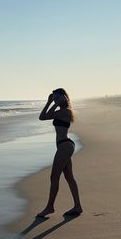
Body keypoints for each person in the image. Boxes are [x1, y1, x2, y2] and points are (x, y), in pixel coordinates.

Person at [36, 88, 83, 218]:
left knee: (54, 177)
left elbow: (47, 115)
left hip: (65, 146)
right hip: (63, 146)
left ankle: (50, 207)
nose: (55, 99)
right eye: (54, 97)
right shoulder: (60, 111)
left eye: (57, 97)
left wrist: (55, 103)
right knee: (69, 177)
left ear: (64, 98)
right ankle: (77, 206)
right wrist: (49, 102)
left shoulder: (66, 111)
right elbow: (42, 117)